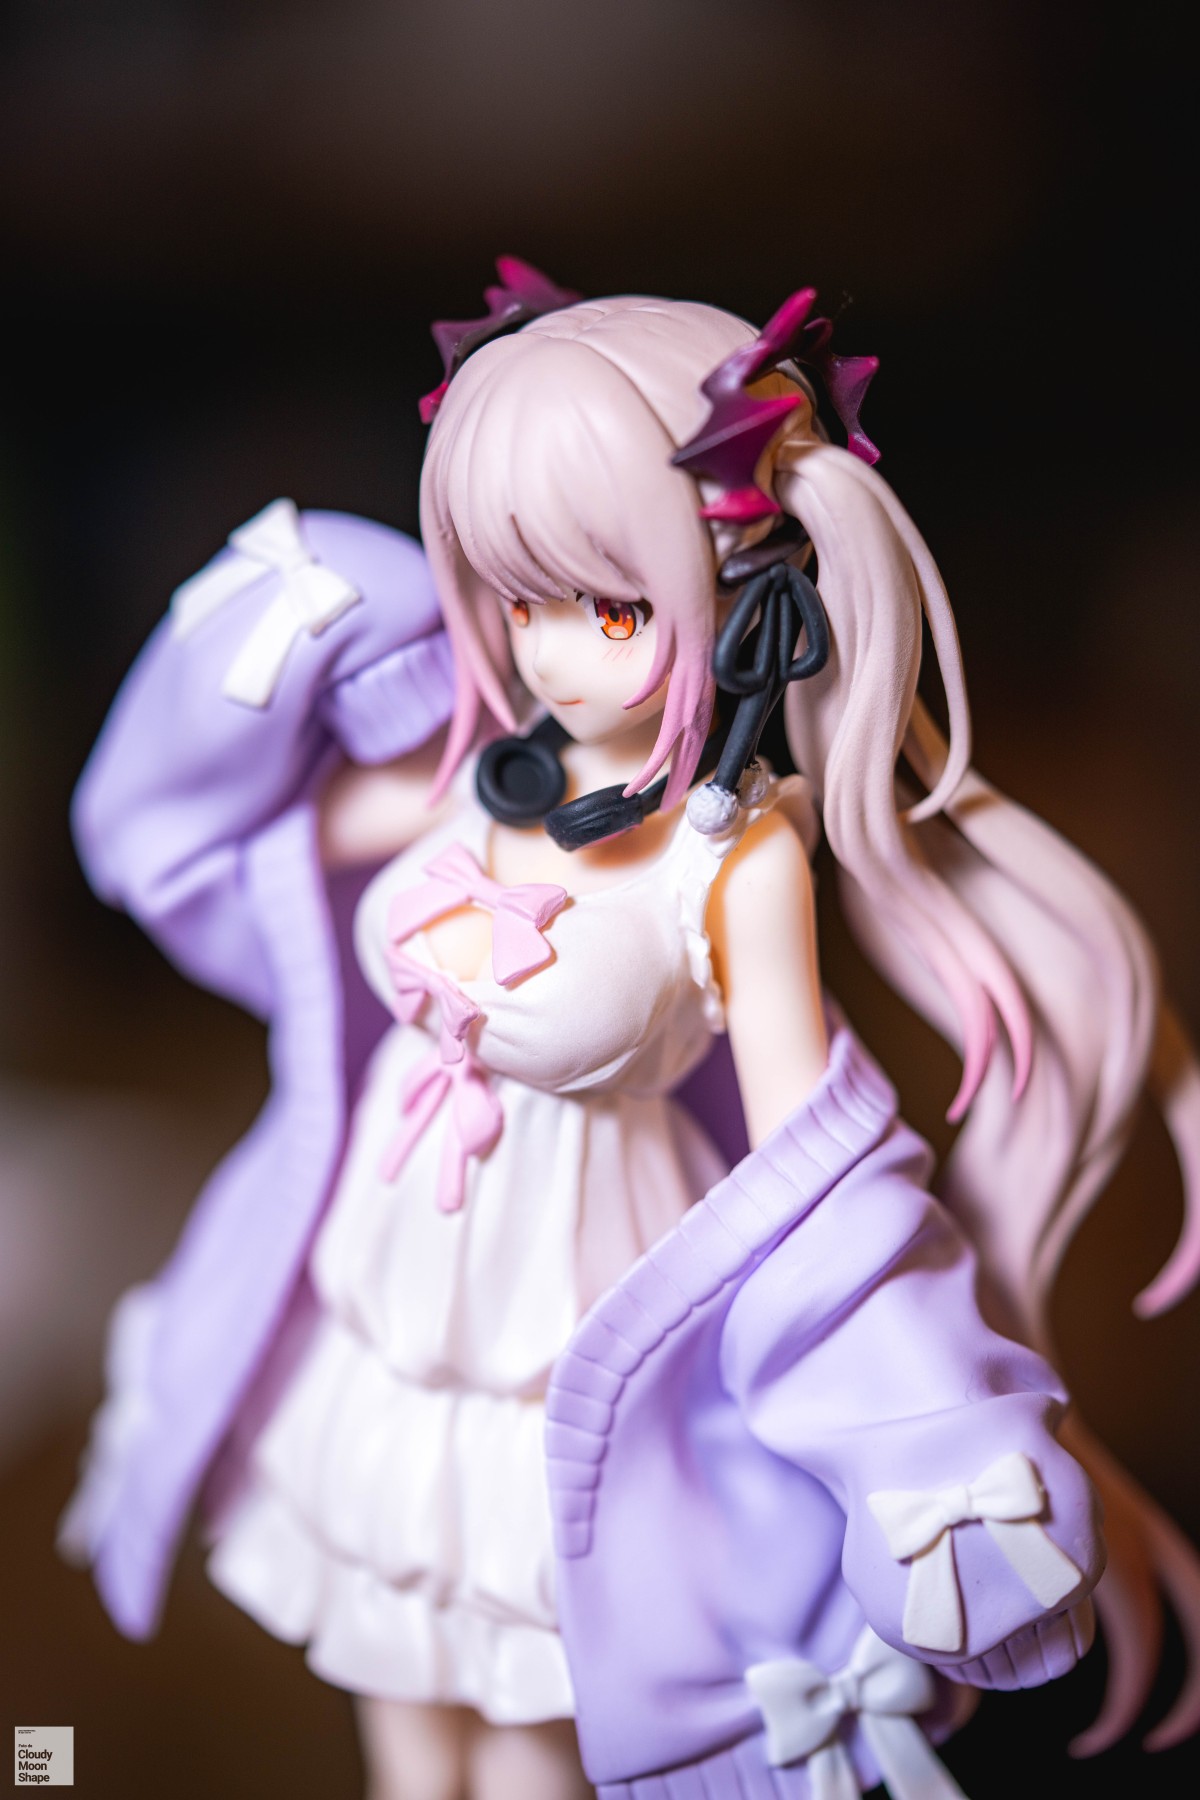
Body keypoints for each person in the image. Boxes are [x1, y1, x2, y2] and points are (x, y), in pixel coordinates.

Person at [58, 268, 1200, 1799]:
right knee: (401, 1699)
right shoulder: (478, 767)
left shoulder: (733, 862)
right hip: (385, 1293)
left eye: (606, 607)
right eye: (518, 596)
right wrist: (293, 610)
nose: (547, 653)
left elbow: (817, 1173)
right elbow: (197, 844)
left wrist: (923, 1420)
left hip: (570, 1310)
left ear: (746, 601)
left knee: (533, 1726)